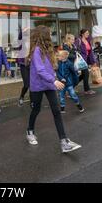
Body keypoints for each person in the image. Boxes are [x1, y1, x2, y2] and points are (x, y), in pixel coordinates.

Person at [26, 25, 82, 153]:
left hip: (50, 84)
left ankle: (64, 141)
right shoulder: (36, 51)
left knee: (56, 111)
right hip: (38, 85)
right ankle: (30, 130)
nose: (51, 36)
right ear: (44, 36)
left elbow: (50, 67)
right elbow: (40, 70)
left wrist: (56, 76)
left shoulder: (48, 50)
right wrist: (54, 80)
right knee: (36, 109)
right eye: (50, 34)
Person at [75, 29, 96, 95]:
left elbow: (90, 52)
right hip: (81, 60)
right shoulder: (78, 40)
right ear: (82, 34)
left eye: (88, 33)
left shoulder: (88, 40)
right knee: (86, 74)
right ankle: (87, 90)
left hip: (86, 60)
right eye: (86, 33)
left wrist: (92, 61)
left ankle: (70, 86)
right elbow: (75, 49)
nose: (88, 34)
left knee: (83, 75)